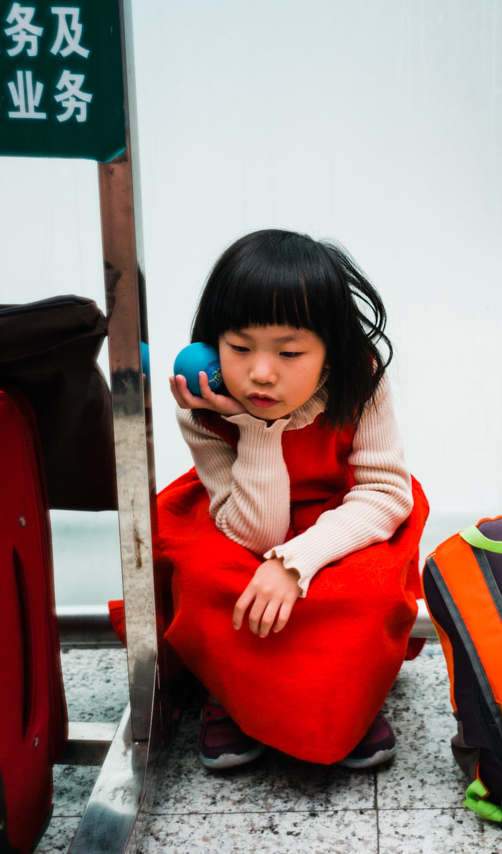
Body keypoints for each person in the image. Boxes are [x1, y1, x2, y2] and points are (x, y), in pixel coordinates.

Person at [158, 228, 428, 770]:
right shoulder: (204, 403)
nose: (260, 372)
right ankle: (232, 696)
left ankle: (349, 696)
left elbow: (384, 493)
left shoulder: (362, 381)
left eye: (289, 351)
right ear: (213, 346)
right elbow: (251, 533)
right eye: (239, 348)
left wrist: (296, 560)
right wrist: (256, 428)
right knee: (210, 581)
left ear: (332, 351)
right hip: (238, 515)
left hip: (347, 514)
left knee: (366, 591)